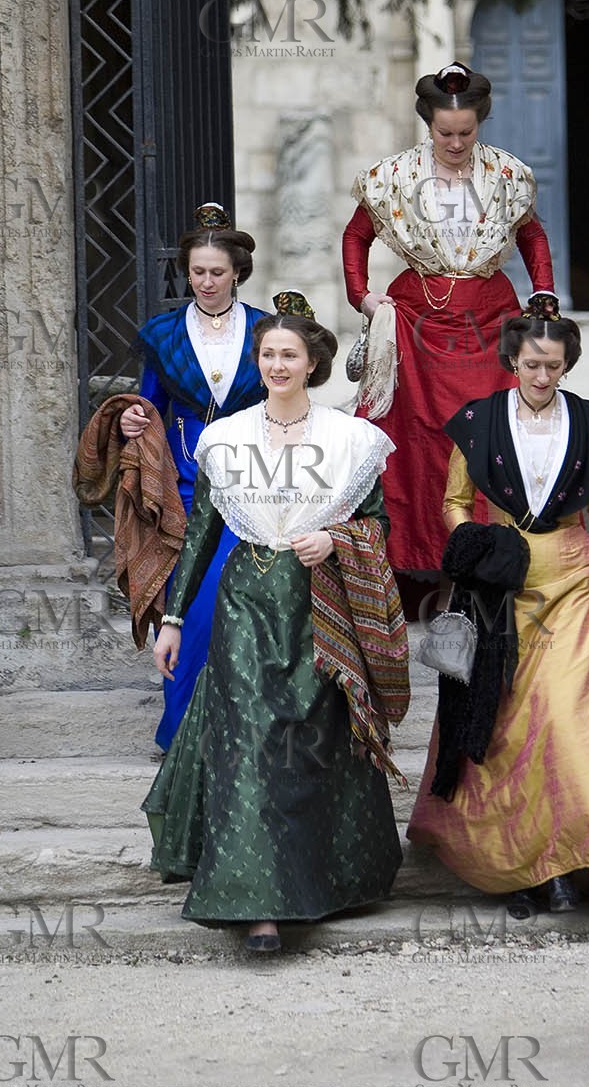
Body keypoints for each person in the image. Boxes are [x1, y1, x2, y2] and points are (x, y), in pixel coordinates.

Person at [142, 294, 409, 952]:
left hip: (320, 605)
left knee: (314, 740)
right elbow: (200, 534)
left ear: (311, 362)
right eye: (267, 354)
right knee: (251, 743)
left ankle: (322, 883)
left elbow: (377, 524)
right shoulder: (227, 439)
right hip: (245, 605)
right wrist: (173, 618)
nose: (277, 365)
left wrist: (336, 539)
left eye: (289, 354)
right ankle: (256, 906)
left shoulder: (348, 440)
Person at [407, 309, 589, 917]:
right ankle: (525, 862)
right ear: (512, 360)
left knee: (569, 715)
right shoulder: (479, 422)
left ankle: (570, 861)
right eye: (531, 364)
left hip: (575, 576)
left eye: (553, 366)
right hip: (501, 580)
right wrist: (475, 548)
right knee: (505, 720)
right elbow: (455, 502)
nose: (541, 375)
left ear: (566, 366)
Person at [342, 61, 555, 618]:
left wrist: (544, 296)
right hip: (416, 321)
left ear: (480, 123)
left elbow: (532, 236)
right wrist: (363, 297)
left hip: (490, 322)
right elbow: (356, 236)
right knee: (418, 445)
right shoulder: (394, 177)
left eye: (466, 132)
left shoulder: (506, 175)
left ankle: (494, 568)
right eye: (445, 133)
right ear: (428, 125)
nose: (456, 143)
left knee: (491, 438)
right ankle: (419, 573)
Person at [119, 202, 268, 749]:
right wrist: (133, 419)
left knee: (246, 608)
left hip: (253, 484)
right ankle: (183, 732)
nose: (206, 282)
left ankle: (244, 727)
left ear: (237, 272)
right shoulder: (164, 334)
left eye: (217, 272)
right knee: (189, 608)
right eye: (197, 271)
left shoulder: (265, 331)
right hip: (185, 487)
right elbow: (148, 405)